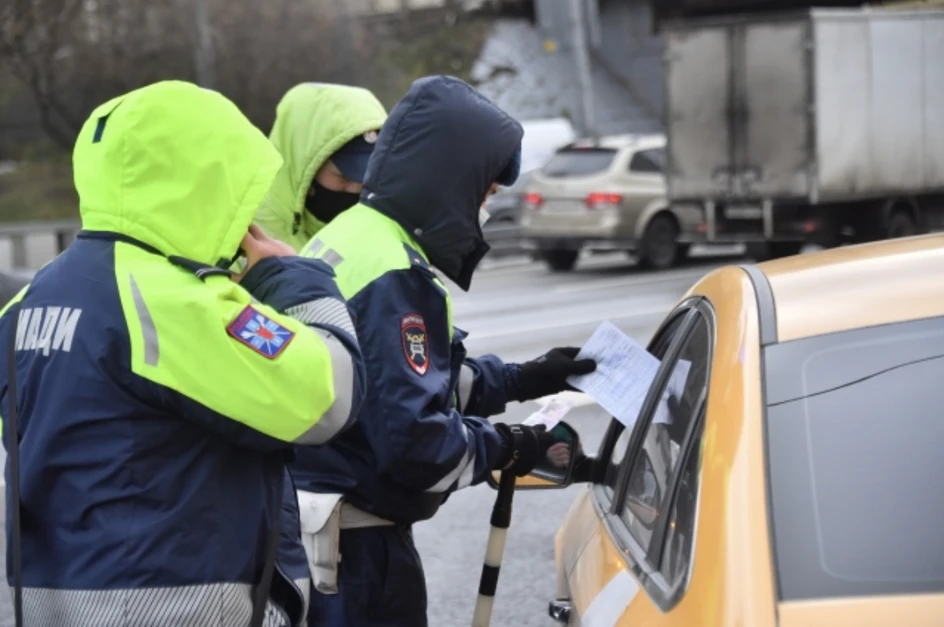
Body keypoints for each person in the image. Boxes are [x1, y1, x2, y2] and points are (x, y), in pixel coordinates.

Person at [0, 81, 366, 627]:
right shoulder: (173, 303)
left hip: (57, 600)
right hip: (172, 601)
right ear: (202, 182)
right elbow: (329, 397)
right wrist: (296, 280)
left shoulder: (30, 300)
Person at [290, 75, 597, 627]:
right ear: (450, 181)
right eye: (485, 192)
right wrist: (506, 445)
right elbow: (416, 442)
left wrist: (526, 378)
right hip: (357, 552)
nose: (483, 207)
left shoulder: (352, 237)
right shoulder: (394, 275)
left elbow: (388, 384)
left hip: (319, 536)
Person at [253, 82, 388, 250]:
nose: (356, 189)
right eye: (344, 178)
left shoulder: (382, 234)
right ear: (304, 166)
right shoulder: (248, 230)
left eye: (366, 178)